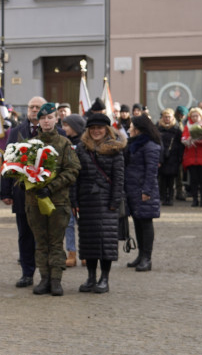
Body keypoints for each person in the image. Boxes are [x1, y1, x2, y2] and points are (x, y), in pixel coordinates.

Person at [25, 102, 80, 296]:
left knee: (56, 242)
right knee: (41, 242)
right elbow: (22, 171)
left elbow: (73, 170)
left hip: (58, 201)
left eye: (50, 118)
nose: (46, 122)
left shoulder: (64, 144)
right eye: (43, 118)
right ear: (38, 121)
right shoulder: (31, 145)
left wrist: (51, 187)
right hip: (34, 201)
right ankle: (44, 278)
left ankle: (56, 279)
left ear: (57, 119)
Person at [70, 112, 124, 293]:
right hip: (86, 201)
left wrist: (114, 202)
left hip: (107, 202)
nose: (96, 131)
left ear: (107, 130)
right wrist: (74, 200)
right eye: (93, 128)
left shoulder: (115, 149)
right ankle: (91, 278)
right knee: (88, 242)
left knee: (106, 242)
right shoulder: (81, 149)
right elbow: (75, 177)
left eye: (100, 128)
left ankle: (104, 279)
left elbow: (119, 179)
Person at [0, 96, 46, 288]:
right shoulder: (16, 132)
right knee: (24, 235)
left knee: (44, 235)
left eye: (38, 107)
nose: (34, 110)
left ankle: (46, 274)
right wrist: (5, 192)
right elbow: (8, 161)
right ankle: (27, 273)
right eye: (31, 107)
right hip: (21, 193)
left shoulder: (55, 131)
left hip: (45, 193)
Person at [125, 114, 162, 272]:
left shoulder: (150, 146)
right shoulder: (135, 143)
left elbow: (151, 171)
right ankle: (140, 255)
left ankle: (147, 258)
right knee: (138, 223)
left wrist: (147, 191)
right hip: (133, 189)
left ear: (139, 130)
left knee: (146, 223)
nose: (129, 129)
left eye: (132, 127)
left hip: (144, 190)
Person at [61, 113, 86, 268]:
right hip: (68, 189)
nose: (64, 128)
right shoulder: (65, 143)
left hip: (83, 190)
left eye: (67, 125)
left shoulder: (85, 144)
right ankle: (72, 253)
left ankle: (85, 253)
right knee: (69, 223)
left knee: (83, 224)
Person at [181, 107, 202, 207]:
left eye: (197, 116)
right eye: (193, 116)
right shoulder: (187, 126)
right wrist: (189, 140)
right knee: (193, 180)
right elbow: (184, 138)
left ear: (201, 116)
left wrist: (196, 140)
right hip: (191, 157)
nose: (195, 118)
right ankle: (195, 200)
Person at [156, 109, 183, 206]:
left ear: (173, 118)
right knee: (162, 179)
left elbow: (180, 145)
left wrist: (179, 158)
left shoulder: (176, 130)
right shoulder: (158, 128)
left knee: (171, 180)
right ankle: (163, 197)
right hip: (162, 157)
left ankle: (170, 197)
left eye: (169, 117)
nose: (167, 119)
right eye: (165, 117)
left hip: (173, 157)